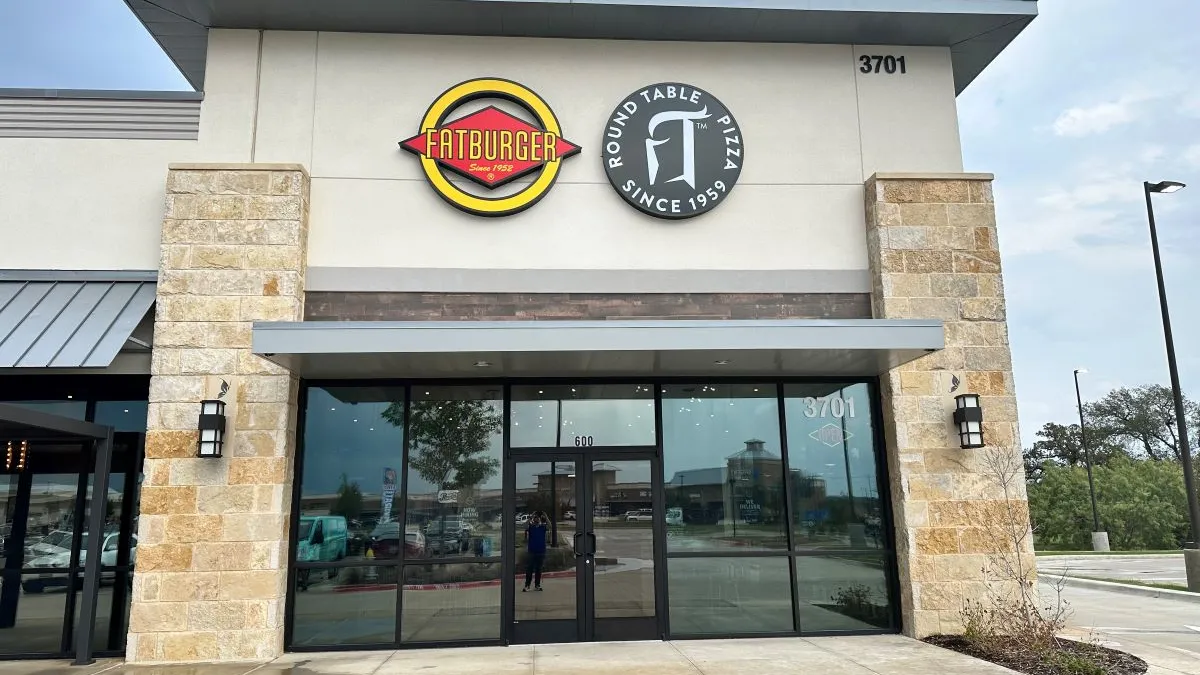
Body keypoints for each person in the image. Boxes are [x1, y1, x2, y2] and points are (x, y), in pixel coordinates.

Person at [523, 511, 548, 592]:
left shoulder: (542, 527)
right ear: (533, 519)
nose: (536, 519)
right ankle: (527, 585)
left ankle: (537, 585)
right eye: (535, 518)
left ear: (540, 519)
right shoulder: (531, 527)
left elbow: (550, 526)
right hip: (532, 552)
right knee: (529, 569)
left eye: (538, 518)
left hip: (541, 551)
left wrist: (546, 517)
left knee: (538, 569)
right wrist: (530, 516)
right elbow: (524, 525)